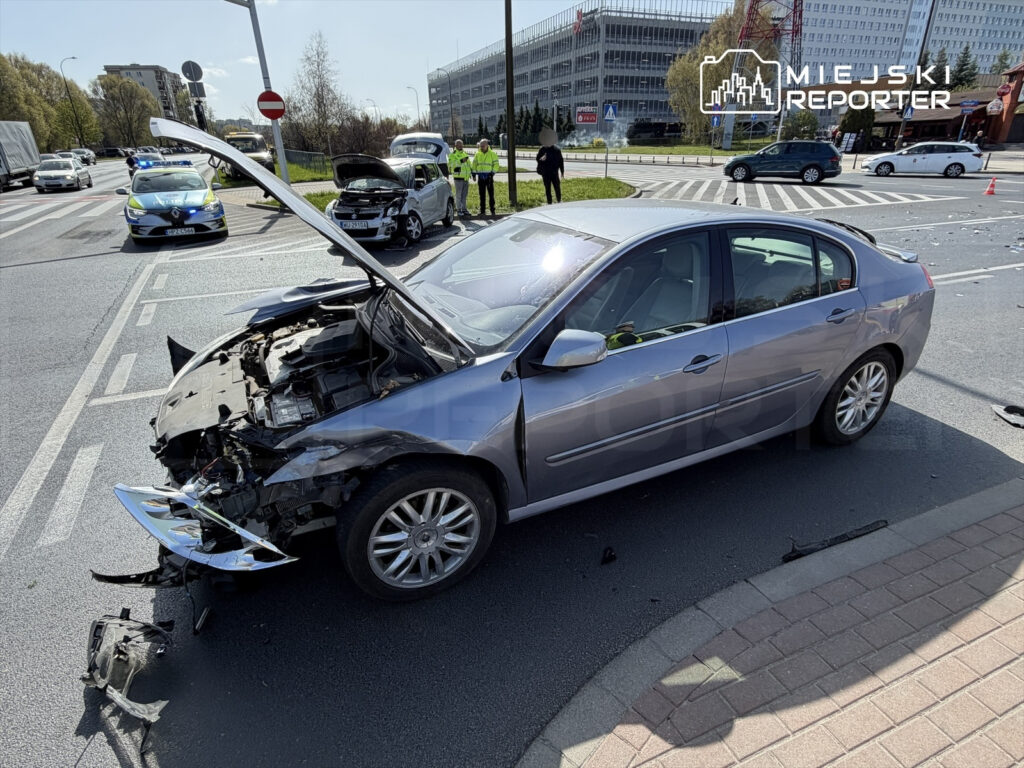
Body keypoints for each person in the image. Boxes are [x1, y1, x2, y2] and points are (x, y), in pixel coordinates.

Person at [471, 138, 499, 216]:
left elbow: (496, 164)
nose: (481, 147)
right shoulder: (477, 154)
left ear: (487, 145)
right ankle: (482, 211)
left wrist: (492, 173)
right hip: (481, 177)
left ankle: (492, 210)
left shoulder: (492, 154)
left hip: (489, 176)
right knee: (482, 195)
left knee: (491, 195)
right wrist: (473, 174)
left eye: (483, 146)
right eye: (481, 146)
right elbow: (474, 164)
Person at [536, 134, 565, 204]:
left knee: (557, 188)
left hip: (554, 173)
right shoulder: (542, 149)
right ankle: (549, 203)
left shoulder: (557, 150)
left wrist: (562, 172)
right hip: (545, 173)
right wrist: (541, 159)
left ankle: (559, 201)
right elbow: (537, 159)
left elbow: (561, 161)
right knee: (547, 189)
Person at [448, 139, 472, 216]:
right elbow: (451, 165)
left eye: (461, 144)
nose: (460, 146)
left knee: (464, 195)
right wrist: (461, 161)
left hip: (466, 178)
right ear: (455, 145)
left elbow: (468, 165)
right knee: (458, 195)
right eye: (459, 144)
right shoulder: (453, 154)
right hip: (458, 178)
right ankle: (459, 210)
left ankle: (464, 209)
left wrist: (472, 173)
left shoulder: (464, 153)